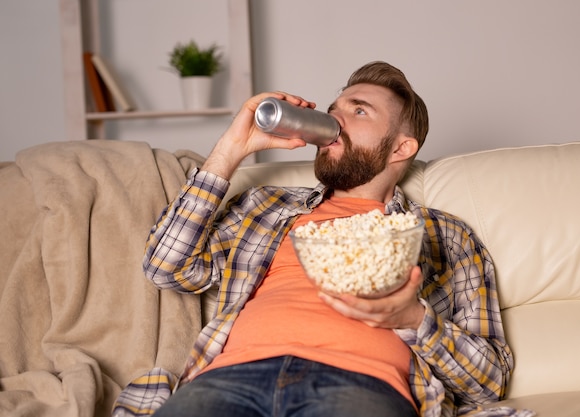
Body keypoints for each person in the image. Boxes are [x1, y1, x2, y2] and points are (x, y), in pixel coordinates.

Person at [114, 61, 518, 417]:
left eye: (358, 110)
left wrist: (412, 318)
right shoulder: (264, 206)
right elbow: (165, 267)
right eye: (333, 111)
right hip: (228, 379)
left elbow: (488, 382)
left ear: (401, 147)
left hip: (360, 385)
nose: (336, 121)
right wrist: (230, 151)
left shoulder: (444, 235)